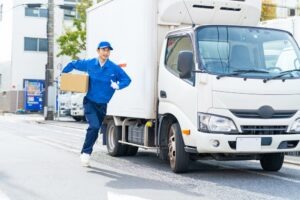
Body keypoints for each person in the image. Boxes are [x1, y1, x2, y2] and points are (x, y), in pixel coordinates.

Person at [62, 41, 131, 167]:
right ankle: (86, 153)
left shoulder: (114, 68)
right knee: (94, 126)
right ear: (98, 51)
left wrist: (118, 85)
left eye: (108, 50)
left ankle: (85, 151)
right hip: (90, 102)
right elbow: (73, 64)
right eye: (103, 50)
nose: (106, 52)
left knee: (95, 129)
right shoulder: (90, 64)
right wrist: (64, 74)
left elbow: (127, 79)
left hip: (102, 105)